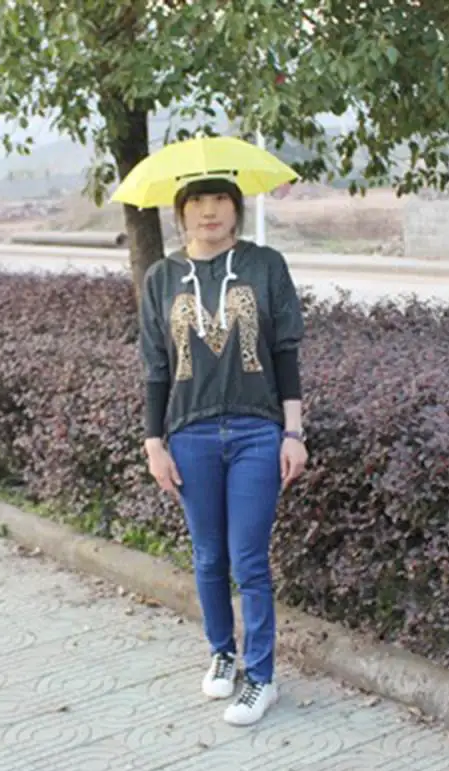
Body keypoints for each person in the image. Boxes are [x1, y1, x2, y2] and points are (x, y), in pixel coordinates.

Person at [138, 174, 308, 726]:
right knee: (209, 556)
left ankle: (262, 678)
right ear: (181, 214)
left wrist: (293, 433)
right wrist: (154, 443)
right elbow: (156, 368)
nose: (209, 212)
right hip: (190, 434)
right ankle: (222, 652)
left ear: (236, 210)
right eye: (197, 202)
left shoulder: (265, 265)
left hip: (258, 431)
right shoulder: (162, 278)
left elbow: (285, 352)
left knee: (249, 559)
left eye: (220, 201)